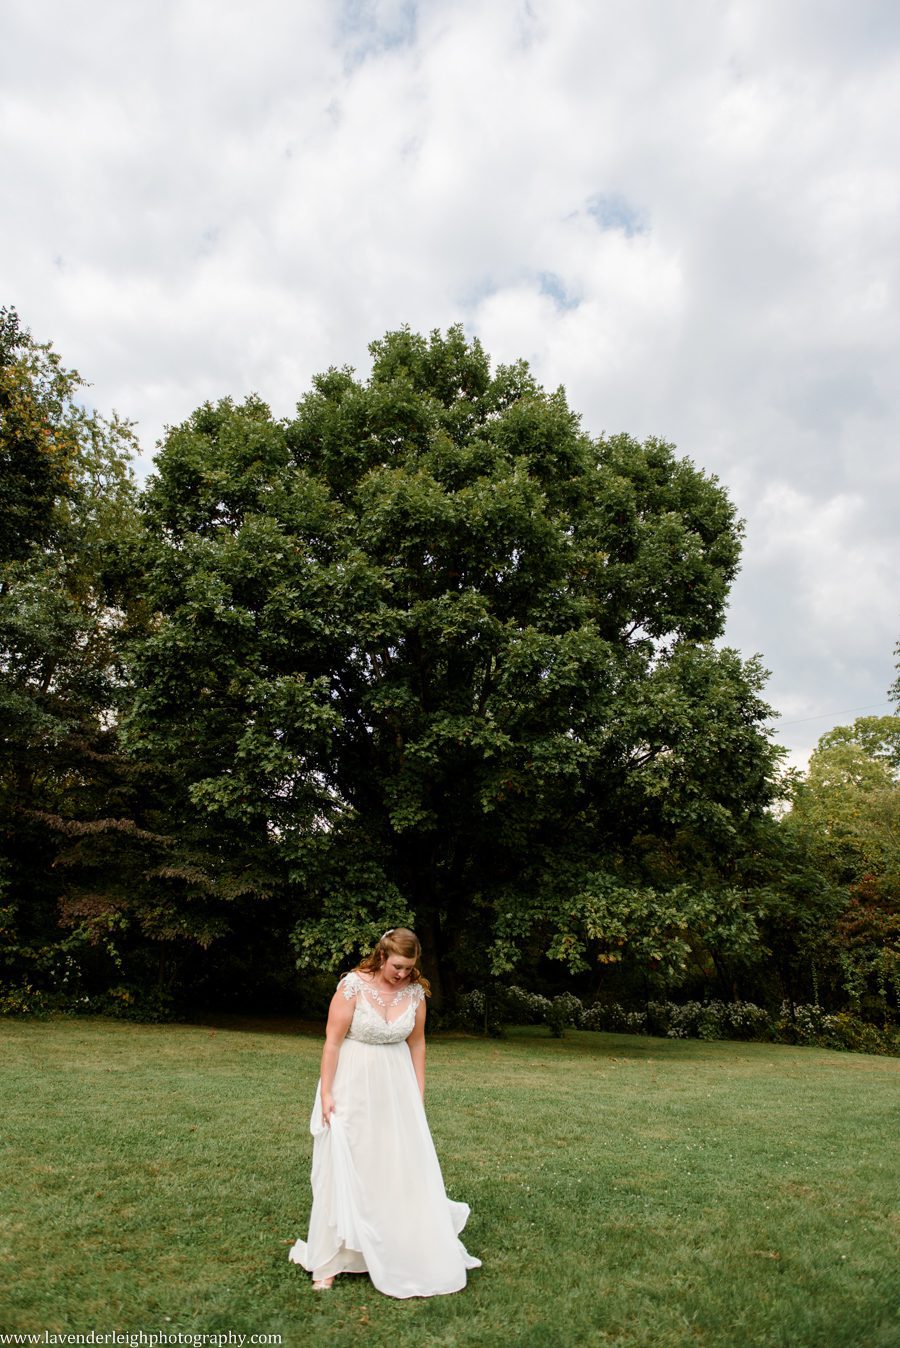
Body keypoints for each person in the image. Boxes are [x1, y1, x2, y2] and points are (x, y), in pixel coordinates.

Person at [288, 927, 481, 1298]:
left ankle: (395, 1247)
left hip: (396, 1088)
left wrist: (417, 1094)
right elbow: (331, 1043)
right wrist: (326, 1093)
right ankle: (329, 1261)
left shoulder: (415, 993)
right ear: (381, 957)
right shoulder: (352, 987)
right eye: (397, 967)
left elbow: (417, 1044)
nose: (402, 974)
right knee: (345, 1165)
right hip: (351, 1084)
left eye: (409, 967)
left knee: (393, 1165)